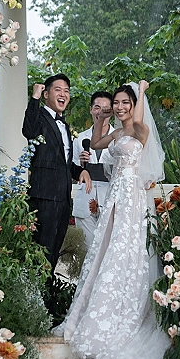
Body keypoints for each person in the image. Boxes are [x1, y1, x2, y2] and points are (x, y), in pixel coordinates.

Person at [56, 81, 170, 359]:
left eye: (125, 104)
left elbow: (136, 123)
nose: (121, 108)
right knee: (106, 259)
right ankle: (97, 312)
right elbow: (98, 143)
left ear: (135, 107)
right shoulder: (117, 132)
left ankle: (125, 314)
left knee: (126, 258)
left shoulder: (139, 131)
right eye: (117, 103)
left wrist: (139, 91)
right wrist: (101, 118)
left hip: (133, 201)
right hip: (115, 201)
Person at [22, 74, 92, 304]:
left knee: (52, 253)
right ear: (46, 94)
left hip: (62, 199)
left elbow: (61, 162)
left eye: (67, 91)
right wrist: (33, 99)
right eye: (58, 90)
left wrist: (78, 171)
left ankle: (44, 302)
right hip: (44, 197)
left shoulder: (64, 124)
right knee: (40, 252)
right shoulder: (40, 117)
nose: (63, 94)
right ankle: (34, 303)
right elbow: (29, 130)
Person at [72, 90, 113, 250]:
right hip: (85, 200)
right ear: (91, 109)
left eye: (105, 108)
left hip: (110, 200)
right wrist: (81, 166)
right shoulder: (80, 139)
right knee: (87, 252)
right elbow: (74, 174)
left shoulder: (119, 138)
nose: (100, 112)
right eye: (97, 107)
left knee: (108, 251)